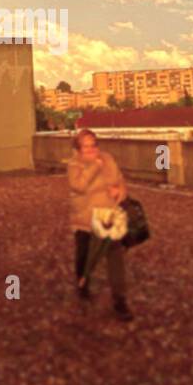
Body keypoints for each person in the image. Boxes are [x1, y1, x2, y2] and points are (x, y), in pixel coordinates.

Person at [66, 128, 133, 321]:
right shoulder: (74, 164)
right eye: (85, 146)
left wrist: (120, 191)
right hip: (86, 218)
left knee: (115, 257)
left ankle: (120, 300)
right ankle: (82, 283)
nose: (90, 149)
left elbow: (119, 179)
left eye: (93, 145)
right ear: (78, 149)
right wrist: (94, 166)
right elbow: (78, 186)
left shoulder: (108, 158)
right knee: (84, 255)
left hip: (108, 216)